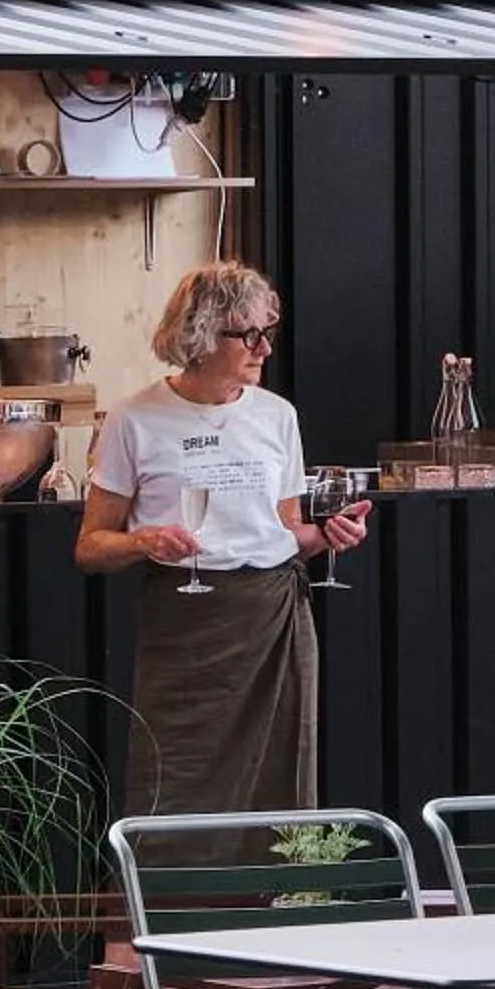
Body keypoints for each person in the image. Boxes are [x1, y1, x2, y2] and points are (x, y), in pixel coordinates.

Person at [75, 261, 368, 814]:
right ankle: (173, 896)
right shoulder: (134, 420)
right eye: (249, 334)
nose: (265, 349)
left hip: (273, 616)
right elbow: (90, 547)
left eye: (267, 333)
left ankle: (281, 895)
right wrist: (143, 543)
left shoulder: (278, 416)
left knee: (284, 770)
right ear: (201, 336)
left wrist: (328, 534)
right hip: (187, 620)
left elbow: (283, 533)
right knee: (174, 769)